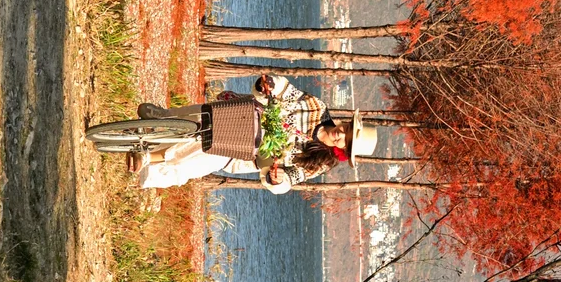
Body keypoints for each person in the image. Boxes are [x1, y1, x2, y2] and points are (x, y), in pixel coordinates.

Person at [131, 75, 377, 190]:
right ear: (345, 123)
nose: (341, 134)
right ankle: (164, 118)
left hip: (245, 153)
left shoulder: (319, 162)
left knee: (200, 158)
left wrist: (277, 180)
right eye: (346, 129)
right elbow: (289, 93)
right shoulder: (317, 108)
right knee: (202, 115)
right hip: (247, 115)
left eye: (346, 141)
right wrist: (270, 85)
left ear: (344, 150)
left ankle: (149, 159)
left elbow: (293, 177)